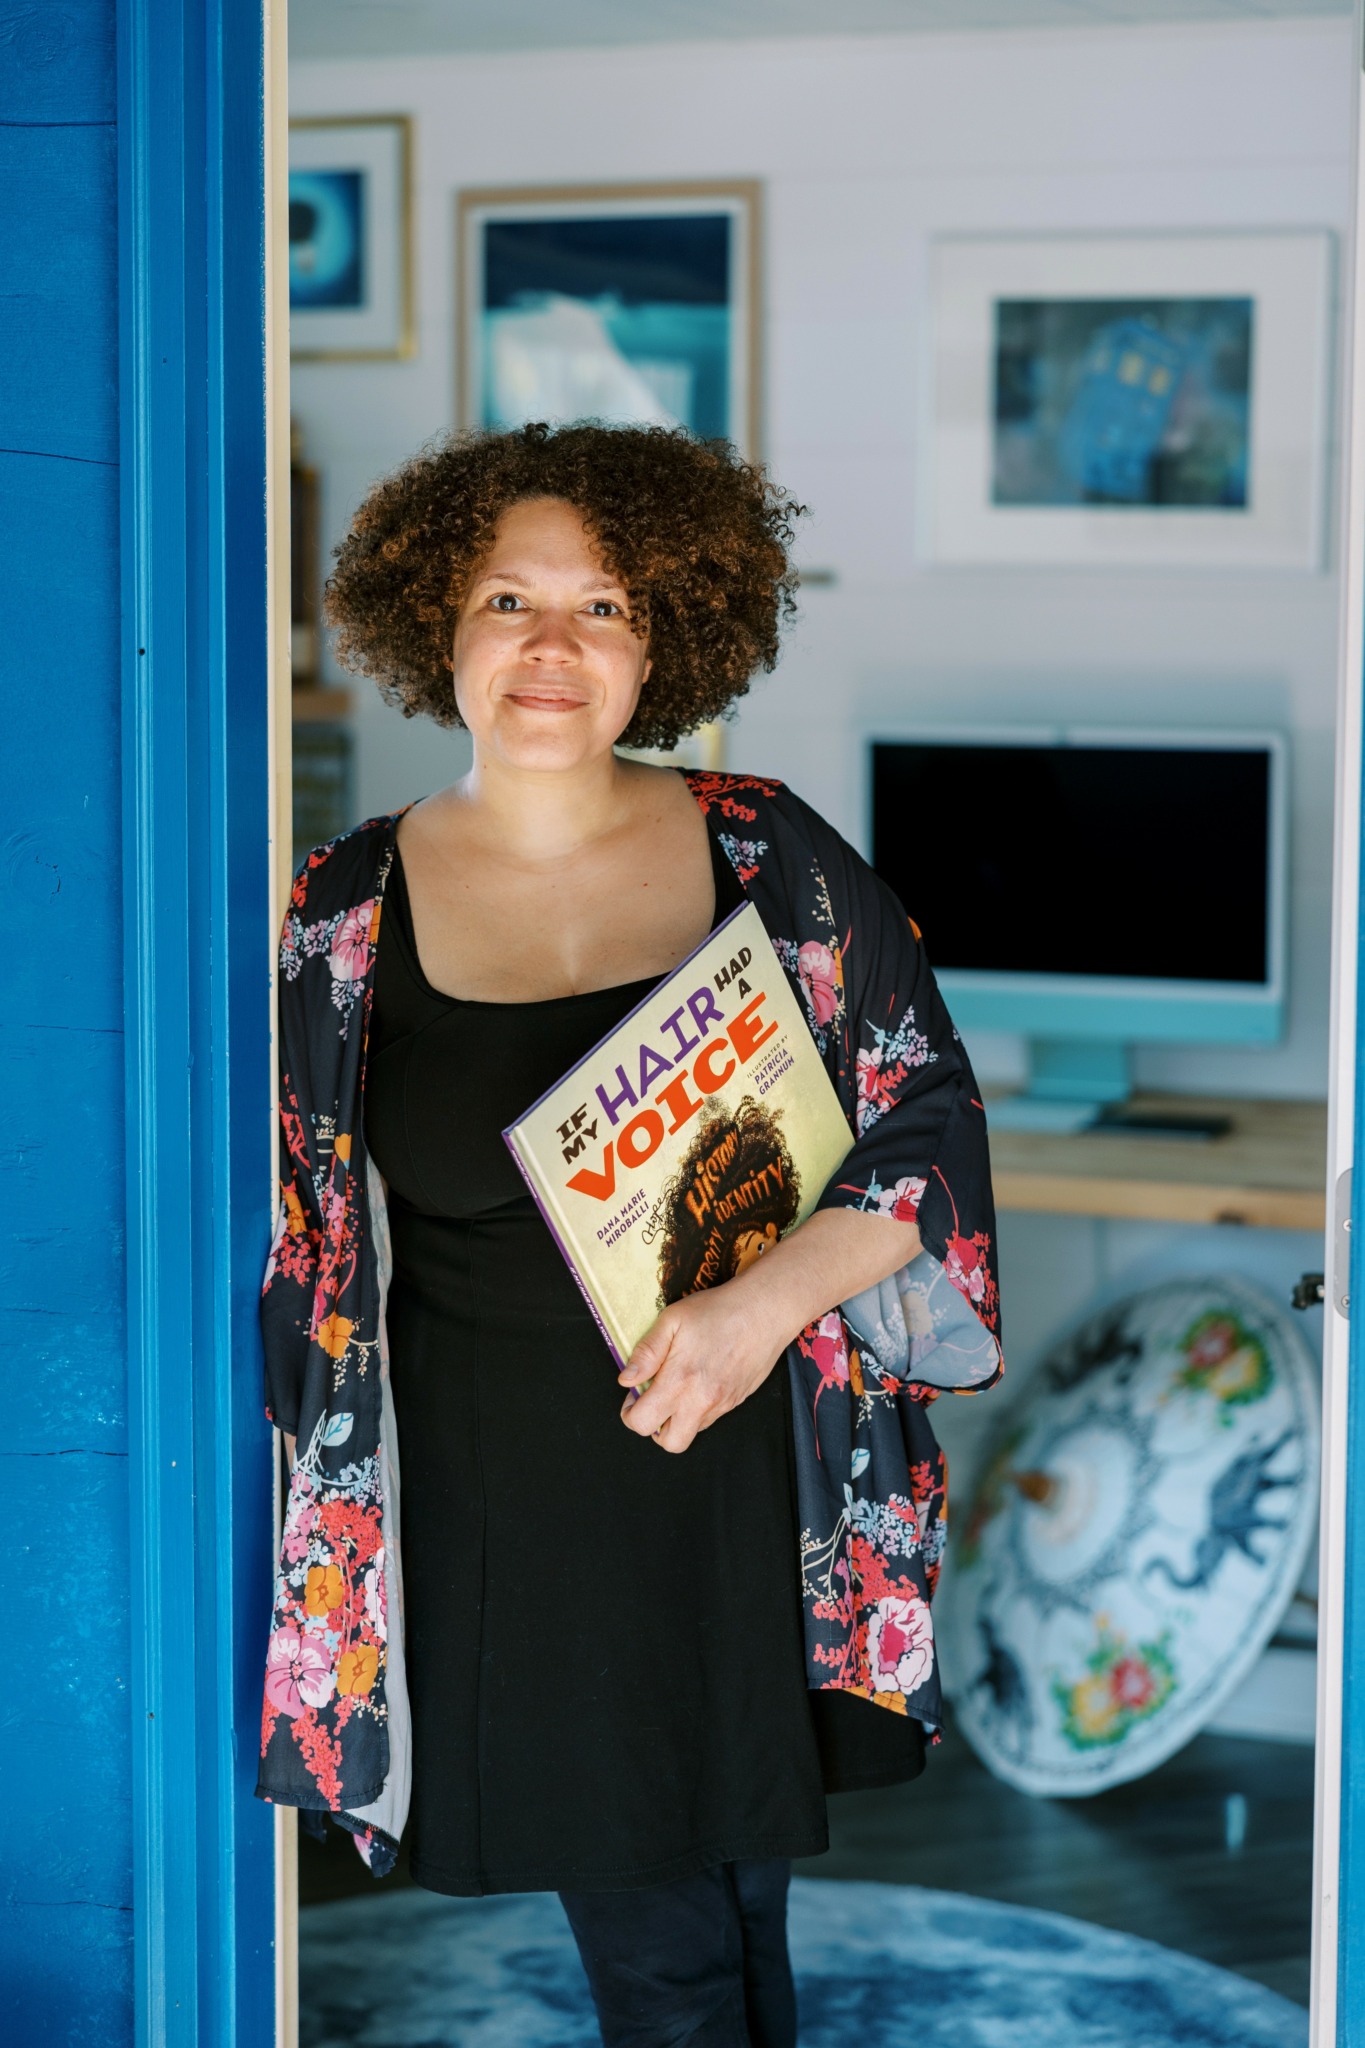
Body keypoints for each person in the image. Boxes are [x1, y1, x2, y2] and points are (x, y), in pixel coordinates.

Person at [256, 422, 1002, 2048]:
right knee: (660, 1938)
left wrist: (758, 1306)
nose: (550, 645)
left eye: (601, 607)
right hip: (504, 1502)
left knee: (732, 1897)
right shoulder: (341, 907)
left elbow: (926, 1118)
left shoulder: (768, 852)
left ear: (664, 639)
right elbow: (306, 1230)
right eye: (506, 599)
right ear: (435, 622)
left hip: (749, 1469)